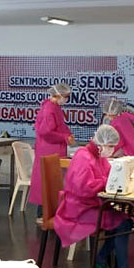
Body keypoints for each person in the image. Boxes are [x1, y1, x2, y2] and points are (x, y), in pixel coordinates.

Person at [54, 125, 134, 268]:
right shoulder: (83, 157)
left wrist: (121, 177)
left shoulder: (99, 157)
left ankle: (101, 259)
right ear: (101, 143)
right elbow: (84, 188)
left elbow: (109, 174)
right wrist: (107, 182)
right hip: (78, 209)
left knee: (125, 221)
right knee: (121, 223)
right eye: (110, 146)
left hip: (90, 204)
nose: (112, 150)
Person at [29, 83, 76, 218]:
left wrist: (68, 134)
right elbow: (46, 132)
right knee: (47, 181)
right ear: (58, 95)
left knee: (52, 181)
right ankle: (43, 214)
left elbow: (60, 125)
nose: (66, 99)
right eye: (65, 96)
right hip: (48, 149)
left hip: (53, 149)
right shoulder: (49, 110)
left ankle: (51, 212)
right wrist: (64, 137)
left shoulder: (55, 107)